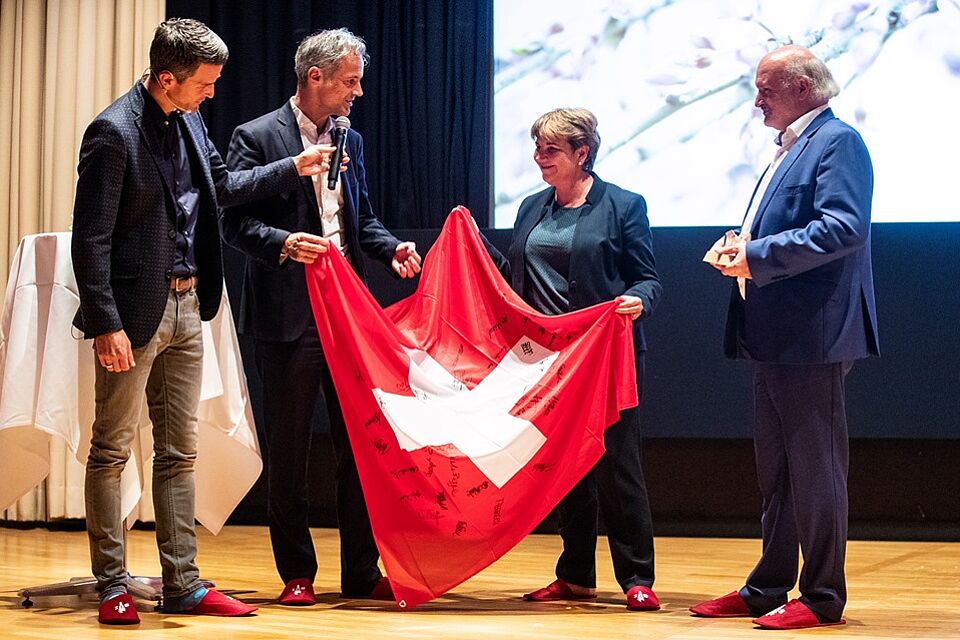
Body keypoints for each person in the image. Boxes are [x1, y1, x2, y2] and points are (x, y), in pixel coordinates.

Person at [71, 18, 334, 625]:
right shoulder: (112, 134)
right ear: (167, 77)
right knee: (111, 450)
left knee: (179, 453)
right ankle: (112, 583)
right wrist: (105, 321)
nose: (212, 93)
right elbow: (91, 240)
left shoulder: (188, 119)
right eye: (205, 83)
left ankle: (181, 583)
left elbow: (221, 186)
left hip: (190, 307)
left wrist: (291, 166)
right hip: (133, 314)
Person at [219, 28, 422, 606]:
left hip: (348, 313)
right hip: (289, 313)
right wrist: (285, 242)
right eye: (350, 81)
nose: (358, 91)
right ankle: (297, 574)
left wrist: (391, 249)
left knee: (361, 446)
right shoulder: (256, 136)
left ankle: (361, 570)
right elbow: (232, 220)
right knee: (290, 450)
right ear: (316, 77)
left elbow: (362, 218)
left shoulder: (350, 136)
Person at [692, 45, 879, 630]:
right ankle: (768, 586)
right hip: (776, 335)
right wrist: (740, 241)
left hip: (812, 336)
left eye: (765, 90)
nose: (756, 101)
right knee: (777, 473)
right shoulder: (795, 147)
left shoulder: (837, 141)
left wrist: (753, 253)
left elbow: (843, 228)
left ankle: (822, 596)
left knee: (816, 470)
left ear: (802, 88)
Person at [505, 108, 663, 610]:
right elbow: (516, 279)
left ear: (582, 153)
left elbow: (648, 278)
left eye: (550, 150)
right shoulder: (530, 208)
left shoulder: (623, 205)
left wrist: (640, 299)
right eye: (537, 149)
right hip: (545, 363)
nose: (539, 159)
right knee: (564, 469)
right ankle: (575, 574)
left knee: (617, 466)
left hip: (603, 358)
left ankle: (637, 577)